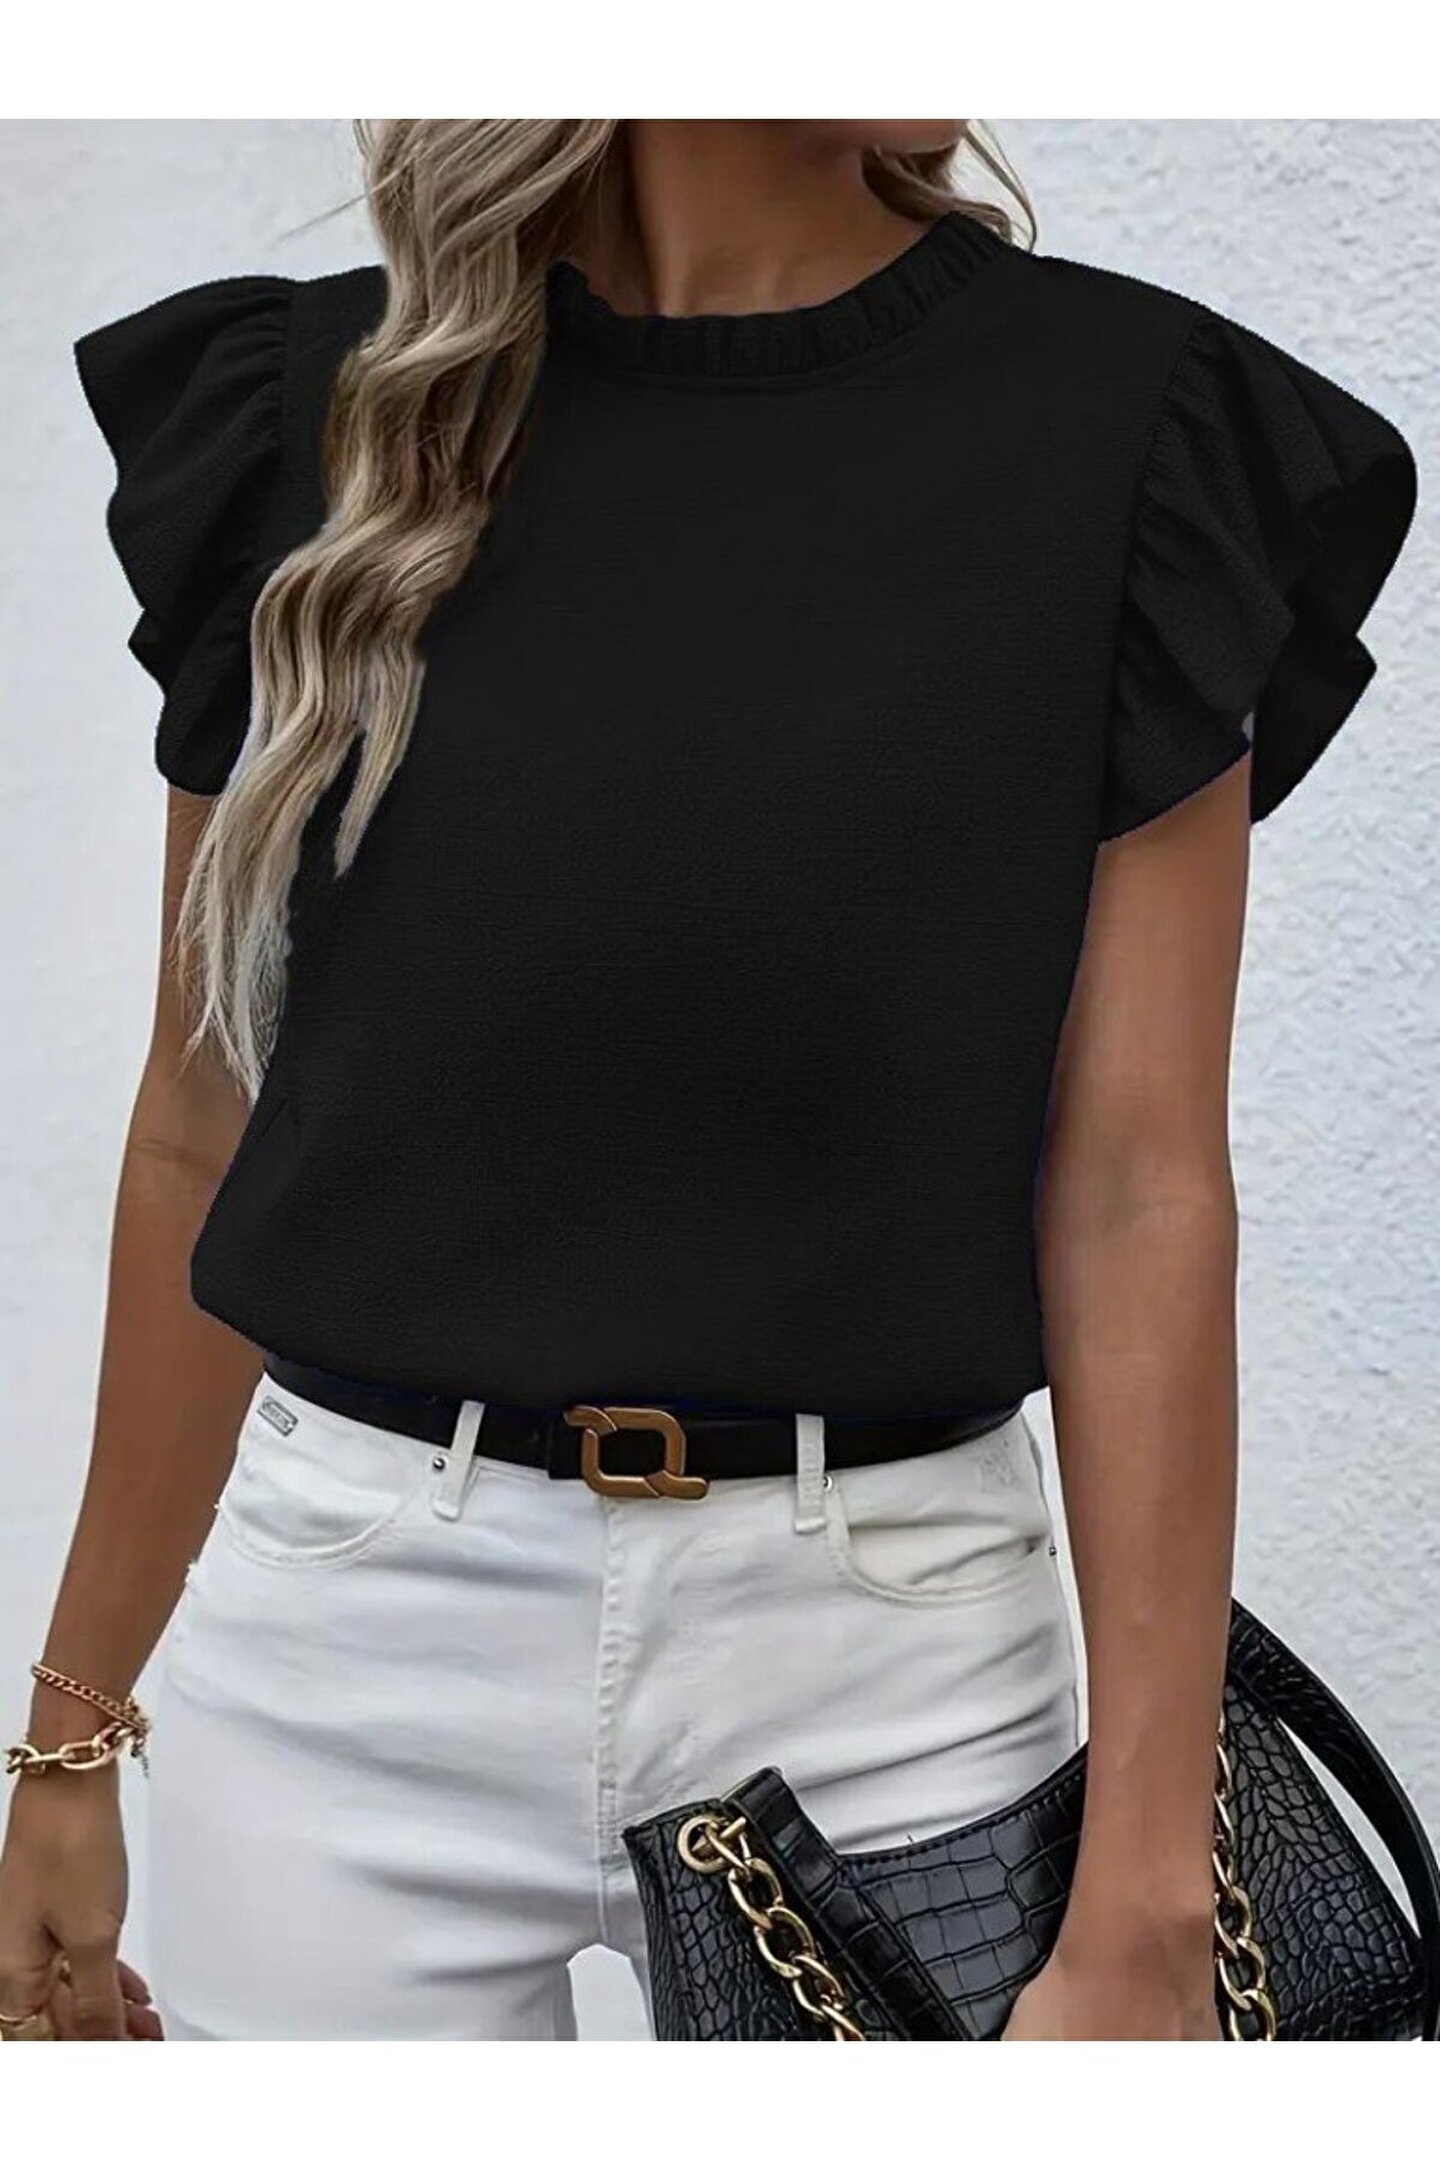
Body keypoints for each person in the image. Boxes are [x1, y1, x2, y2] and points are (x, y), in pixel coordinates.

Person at [0, 120, 1416, 2042]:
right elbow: (201, 1130)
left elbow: (1138, 1184)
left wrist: (1157, 1885)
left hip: (898, 1667)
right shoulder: (305, 418)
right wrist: (68, 1742)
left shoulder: (1134, 435)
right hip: (343, 1653)